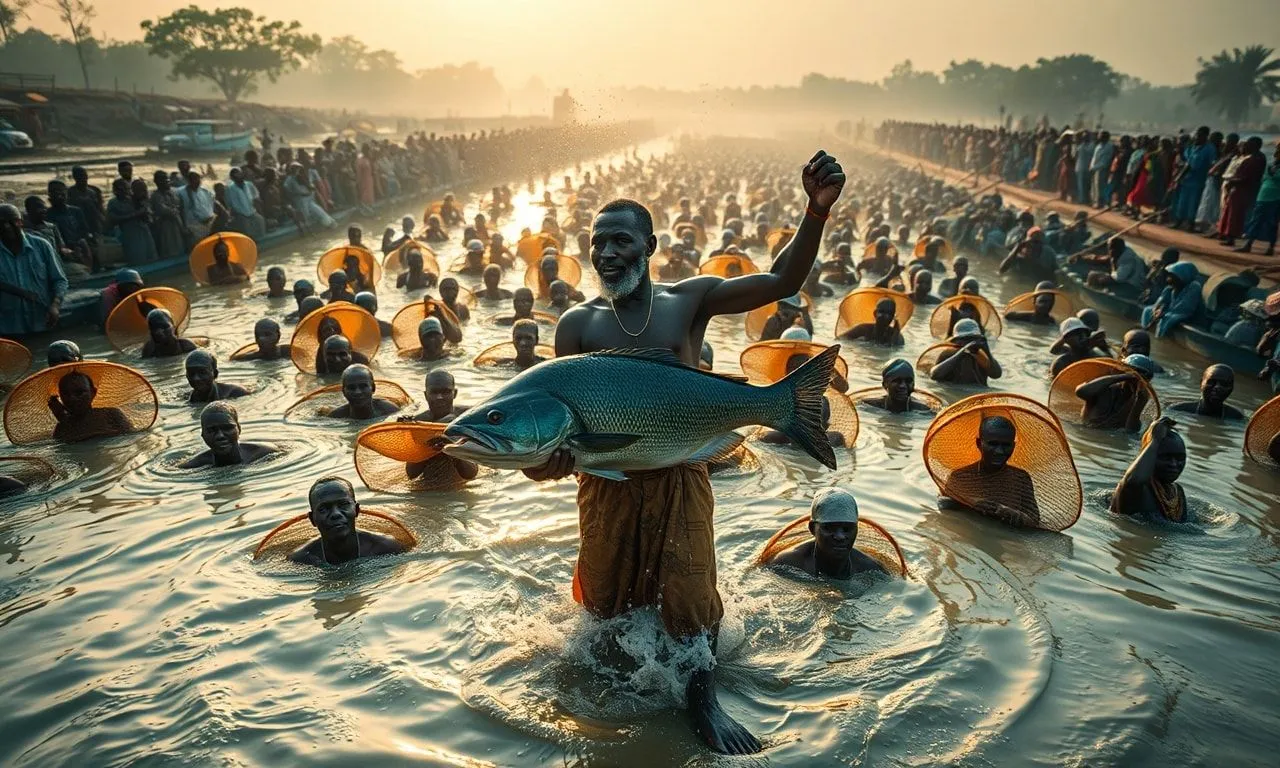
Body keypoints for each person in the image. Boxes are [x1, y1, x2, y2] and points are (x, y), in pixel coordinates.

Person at [526, 150, 844, 756]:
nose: (606, 252)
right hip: (606, 485)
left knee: (691, 598)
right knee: (606, 609)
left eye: (620, 240)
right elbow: (555, 424)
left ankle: (703, 698)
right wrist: (549, 464)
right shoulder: (576, 325)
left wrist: (814, 213)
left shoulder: (688, 301)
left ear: (649, 244)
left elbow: (781, 283)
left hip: (680, 477)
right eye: (597, 243)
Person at [937, 415, 1041, 527]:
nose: (1000, 451)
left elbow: (1034, 520)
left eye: (1006, 445)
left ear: (1013, 446)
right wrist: (971, 503)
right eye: (993, 444)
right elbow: (944, 505)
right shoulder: (960, 476)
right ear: (979, 443)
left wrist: (1009, 513)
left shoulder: (1021, 478)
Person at [763, 489, 886, 579]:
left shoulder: (871, 568)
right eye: (829, 528)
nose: (840, 536)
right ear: (812, 529)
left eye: (847, 529)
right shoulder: (786, 563)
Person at [288, 477, 408, 567]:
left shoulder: (386, 547)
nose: (336, 514)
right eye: (324, 509)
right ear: (312, 519)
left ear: (356, 510)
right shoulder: (302, 559)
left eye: (343, 505)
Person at [0, 201, 68, 335]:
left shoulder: (42, 246)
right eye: (1, 223)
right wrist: (21, 292)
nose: (6, 227)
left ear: (20, 222)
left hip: (42, 321)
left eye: (11, 221)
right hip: (8, 328)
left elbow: (60, 281)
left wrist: (55, 306)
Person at [1110, 417, 1189, 522]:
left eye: (1180, 458)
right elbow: (1134, 480)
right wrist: (1155, 440)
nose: (1174, 464)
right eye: (1166, 457)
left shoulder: (1177, 492)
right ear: (1149, 456)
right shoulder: (1136, 489)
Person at [178, 401, 276, 469]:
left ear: (239, 429)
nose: (220, 435)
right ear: (203, 434)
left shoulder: (265, 453)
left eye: (227, 428)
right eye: (212, 430)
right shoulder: (193, 466)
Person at [1073, 354, 1155, 431]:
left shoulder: (1141, 399)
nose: (1137, 378)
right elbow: (1081, 391)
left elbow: (1130, 431)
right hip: (1087, 431)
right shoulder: (1104, 389)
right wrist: (1125, 376)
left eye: (1142, 376)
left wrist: (1139, 404)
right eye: (1131, 371)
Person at [48, 369, 133, 443]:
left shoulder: (112, 414)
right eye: (66, 394)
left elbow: (131, 437)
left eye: (79, 393)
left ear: (93, 392)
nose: (72, 398)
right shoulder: (61, 427)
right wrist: (63, 418)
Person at [1234, 139, 1280, 256]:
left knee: (1272, 223)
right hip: (1263, 195)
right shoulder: (1271, 164)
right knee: (1255, 221)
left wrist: (1272, 175)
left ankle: (1270, 247)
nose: (1276, 152)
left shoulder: (1273, 167)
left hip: (1275, 198)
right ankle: (1248, 244)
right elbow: (1264, 177)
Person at [1218, 137, 1266, 247]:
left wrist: (1232, 182)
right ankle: (1228, 234)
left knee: (1235, 214)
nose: (1245, 147)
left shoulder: (1253, 159)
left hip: (1242, 189)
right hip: (1244, 188)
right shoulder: (1257, 157)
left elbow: (1245, 177)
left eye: (1248, 144)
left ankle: (1231, 237)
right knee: (1232, 213)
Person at [930, 318, 1002, 386]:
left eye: (973, 339)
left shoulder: (981, 356)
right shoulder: (948, 353)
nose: (969, 342)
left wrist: (987, 351)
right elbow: (934, 375)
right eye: (965, 339)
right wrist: (962, 352)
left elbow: (996, 375)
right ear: (956, 341)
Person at [1141, 262, 1202, 338]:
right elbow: (1161, 300)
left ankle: (1160, 339)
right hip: (1170, 311)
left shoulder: (1194, 287)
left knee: (1167, 318)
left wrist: (1164, 313)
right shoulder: (1170, 288)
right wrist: (1158, 309)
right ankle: (1144, 333)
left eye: (1172, 276)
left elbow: (1185, 308)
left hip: (1186, 315)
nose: (1168, 279)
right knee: (1147, 310)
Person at [105, 179, 158, 265]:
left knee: (150, 254)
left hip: (143, 230)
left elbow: (146, 214)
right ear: (116, 191)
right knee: (136, 256)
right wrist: (134, 215)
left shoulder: (133, 199)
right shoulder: (113, 203)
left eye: (128, 189)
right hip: (129, 233)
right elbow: (113, 219)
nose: (127, 191)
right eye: (124, 189)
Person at [1075, 237, 1144, 298]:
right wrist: (1085, 258)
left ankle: (1096, 296)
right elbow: (1106, 259)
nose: (1109, 251)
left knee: (1094, 276)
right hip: (1124, 280)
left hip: (1131, 286)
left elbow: (1119, 278)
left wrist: (1113, 265)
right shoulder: (1122, 252)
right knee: (1094, 274)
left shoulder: (1127, 259)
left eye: (1110, 248)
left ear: (1115, 249)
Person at [1169, 364, 1244, 420]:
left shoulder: (1236, 417)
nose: (1217, 387)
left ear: (1231, 389)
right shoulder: (1178, 410)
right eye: (1211, 382)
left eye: (1224, 384)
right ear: (1201, 383)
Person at [327, 364, 403, 419]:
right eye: (351, 388)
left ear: (373, 388)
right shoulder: (335, 417)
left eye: (363, 386)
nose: (357, 392)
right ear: (343, 391)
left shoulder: (390, 410)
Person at [860, 358, 935, 413]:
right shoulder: (869, 405)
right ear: (885, 385)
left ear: (914, 385)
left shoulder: (924, 410)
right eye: (897, 381)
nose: (903, 386)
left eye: (908, 381)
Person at [148, 171, 186, 261]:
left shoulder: (175, 192)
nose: (166, 182)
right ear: (156, 182)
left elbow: (181, 208)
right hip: (165, 226)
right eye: (162, 180)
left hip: (178, 223)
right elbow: (164, 211)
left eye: (167, 179)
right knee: (169, 247)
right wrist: (174, 211)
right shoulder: (155, 196)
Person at [839, 296, 904, 346]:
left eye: (889, 313)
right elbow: (840, 340)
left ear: (893, 317)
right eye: (882, 312)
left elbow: (898, 351)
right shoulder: (862, 329)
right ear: (875, 313)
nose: (885, 316)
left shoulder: (896, 336)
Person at [177, 171, 220, 243]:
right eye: (193, 179)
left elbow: (213, 203)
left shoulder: (205, 191)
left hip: (209, 224)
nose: (196, 181)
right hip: (193, 226)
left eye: (198, 179)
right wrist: (183, 227)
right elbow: (180, 211)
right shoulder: (181, 193)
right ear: (189, 181)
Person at [223, 167, 265, 240]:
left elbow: (256, 197)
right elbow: (229, 204)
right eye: (236, 175)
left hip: (252, 212)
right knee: (246, 229)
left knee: (260, 220)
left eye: (239, 174)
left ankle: (261, 241)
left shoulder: (249, 184)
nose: (238, 176)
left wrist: (259, 209)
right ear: (232, 178)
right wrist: (236, 214)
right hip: (240, 214)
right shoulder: (229, 189)